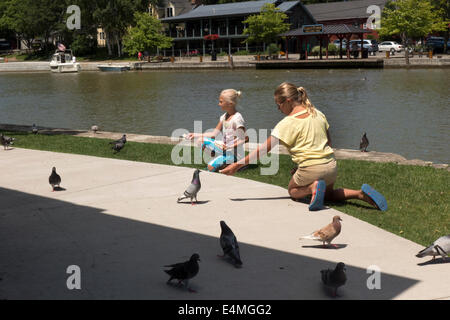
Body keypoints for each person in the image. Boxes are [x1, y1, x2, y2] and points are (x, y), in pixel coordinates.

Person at [220, 82, 387, 212]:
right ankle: (359, 194)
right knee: (328, 194)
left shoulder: (286, 123)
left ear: (287, 101)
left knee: (293, 191)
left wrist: (236, 165)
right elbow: (329, 143)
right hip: (331, 166)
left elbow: (263, 150)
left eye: (278, 105)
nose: (278, 109)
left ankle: (313, 187)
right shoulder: (317, 113)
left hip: (311, 168)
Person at [186, 89, 248, 172]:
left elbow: (245, 139)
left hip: (234, 153)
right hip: (224, 148)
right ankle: (221, 161)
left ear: (230, 104)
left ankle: (237, 164)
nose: (219, 104)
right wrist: (195, 134)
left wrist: (229, 146)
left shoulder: (237, 118)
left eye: (221, 102)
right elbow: (214, 134)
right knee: (200, 141)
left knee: (210, 168)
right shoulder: (224, 117)